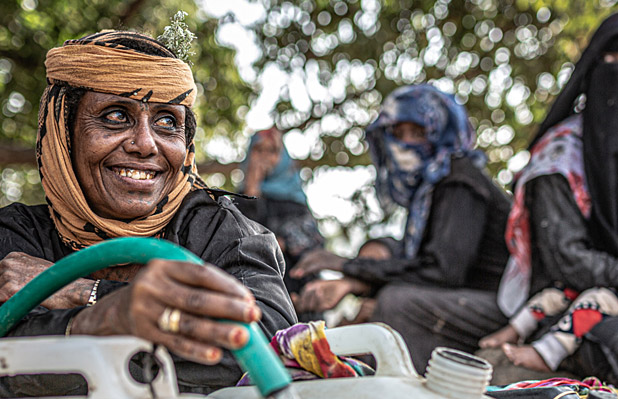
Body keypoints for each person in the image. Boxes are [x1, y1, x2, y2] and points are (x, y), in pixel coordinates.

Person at [0, 30, 296, 398]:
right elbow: (2, 367)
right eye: (116, 115)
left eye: (167, 122)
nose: (146, 144)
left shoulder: (223, 231)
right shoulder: (15, 234)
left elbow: (267, 349)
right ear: (63, 132)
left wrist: (86, 296)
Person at [291, 85, 511, 373]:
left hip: (504, 308)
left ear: (439, 132)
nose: (405, 144)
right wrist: (353, 283)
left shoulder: (459, 182)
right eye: (397, 134)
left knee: (396, 303)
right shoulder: (427, 192)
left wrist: (349, 267)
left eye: (418, 133)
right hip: (462, 299)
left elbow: (442, 272)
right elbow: (418, 266)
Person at [478, 14, 618, 380]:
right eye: (612, 60)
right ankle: (529, 344)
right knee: (574, 302)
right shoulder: (560, 159)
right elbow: (569, 264)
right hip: (579, 298)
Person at [233, 127, 324, 320]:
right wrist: (251, 190)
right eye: (259, 150)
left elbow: (310, 252)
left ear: (282, 157)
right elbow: (237, 242)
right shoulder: (235, 202)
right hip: (250, 301)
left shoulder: (295, 201)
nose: (264, 157)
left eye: (272, 151)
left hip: (297, 301)